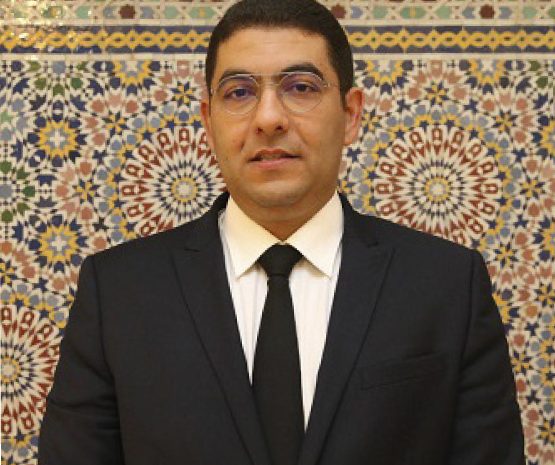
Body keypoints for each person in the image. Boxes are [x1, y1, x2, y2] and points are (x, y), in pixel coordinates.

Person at [39, 0, 525, 464]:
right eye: (239, 92)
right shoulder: (118, 292)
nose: (269, 118)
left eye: (301, 87)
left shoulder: (447, 286)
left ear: (351, 114)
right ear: (208, 121)